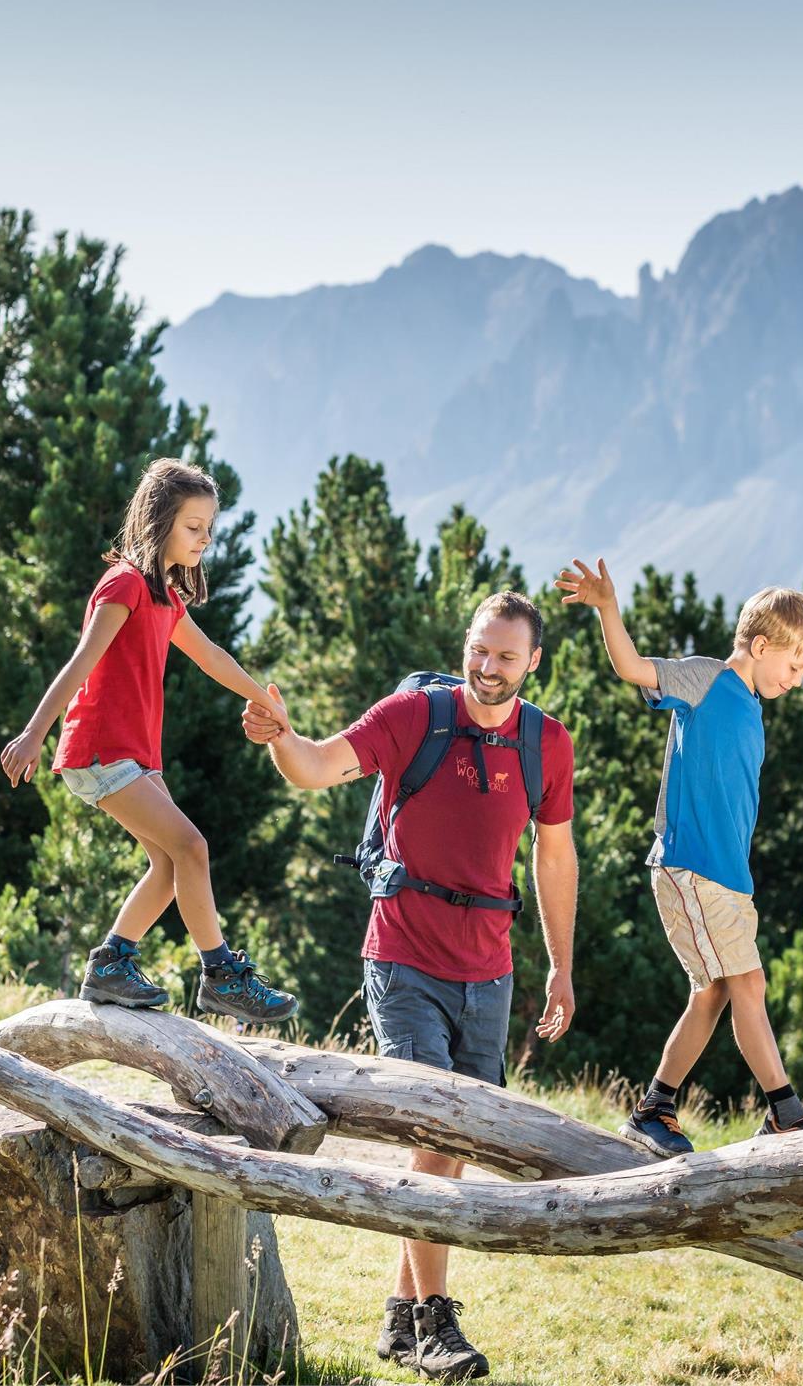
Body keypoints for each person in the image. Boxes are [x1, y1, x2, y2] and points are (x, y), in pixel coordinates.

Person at [241, 591, 577, 1384]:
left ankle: (398, 1313)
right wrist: (280, 737)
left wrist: (562, 963)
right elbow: (319, 765)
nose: (486, 667)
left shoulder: (546, 744)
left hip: (488, 969)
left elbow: (554, 858)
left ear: (533, 663)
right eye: (477, 649)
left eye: (504, 656)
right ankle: (434, 1322)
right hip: (403, 957)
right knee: (433, 1128)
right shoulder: (414, 716)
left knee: (452, 1143)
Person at [0, 457, 298, 1025]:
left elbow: (211, 655)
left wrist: (265, 700)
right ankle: (221, 975)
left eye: (210, 527)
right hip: (101, 751)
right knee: (191, 848)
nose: (205, 538)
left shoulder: (166, 597)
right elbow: (82, 660)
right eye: (193, 527)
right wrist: (35, 732)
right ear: (159, 522)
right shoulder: (125, 585)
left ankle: (112, 962)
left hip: (134, 756)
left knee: (168, 865)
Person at [557, 558, 803, 1155]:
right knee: (747, 983)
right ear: (760, 645)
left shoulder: (752, 707)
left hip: (727, 879)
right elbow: (632, 667)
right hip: (691, 868)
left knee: (711, 993)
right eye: (795, 666)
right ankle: (787, 1112)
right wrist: (608, 607)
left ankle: (654, 1107)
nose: (798, 680)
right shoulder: (707, 681)